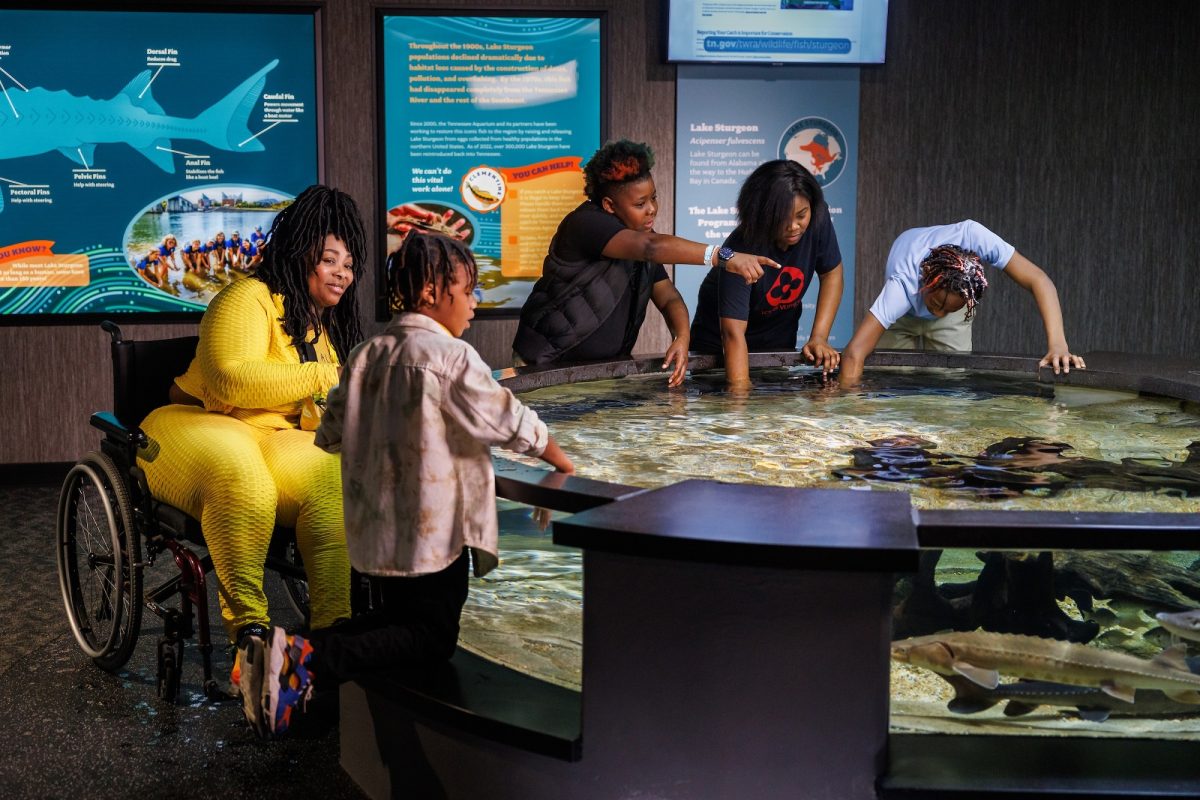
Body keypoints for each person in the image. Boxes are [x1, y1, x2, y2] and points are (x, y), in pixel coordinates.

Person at [245, 232, 574, 738]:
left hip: (374, 532)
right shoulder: (453, 358)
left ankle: (287, 654)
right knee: (431, 636)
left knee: (394, 624)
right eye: (467, 290)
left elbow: (330, 434)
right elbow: (510, 420)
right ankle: (304, 656)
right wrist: (562, 462)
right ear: (429, 293)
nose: (474, 302)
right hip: (432, 536)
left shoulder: (363, 356)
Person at [134, 185, 366, 736]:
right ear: (300, 248)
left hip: (269, 433)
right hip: (193, 421)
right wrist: (326, 378)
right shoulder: (247, 296)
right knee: (245, 482)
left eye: (350, 264)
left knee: (330, 479)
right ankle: (252, 640)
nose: (341, 273)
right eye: (329, 258)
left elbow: (311, 408)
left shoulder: (320, 323)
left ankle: (329, 647)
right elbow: (230, 379)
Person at [512, 140, 778, 386]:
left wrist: (682, 337)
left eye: (654, 197)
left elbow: (668, 298)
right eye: (640, 203)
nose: (651, 208)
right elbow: (652, 248)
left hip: (600, 372)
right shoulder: (585, 224)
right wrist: (724, 256)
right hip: (547, 366)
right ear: (609, 205)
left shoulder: (642, 238)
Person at [839, 220, 1086, 386]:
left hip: (953, 295)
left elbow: (1039, 280)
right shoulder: (902, 284)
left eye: (949, 309)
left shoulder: (975, 237)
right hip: (904, 314)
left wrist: (1058, 345)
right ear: (926, 279)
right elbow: (853, 353)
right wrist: (850, 410)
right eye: (936, 304)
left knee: (953, 384)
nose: (939, 314)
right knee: (889, 380)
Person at [689, 159, 844, 390]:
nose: (794, 226)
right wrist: (740, 398)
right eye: (783, 219)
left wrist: (819, 337)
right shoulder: (738, 246)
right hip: (719, 346)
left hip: (776, 338)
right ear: (763, 215)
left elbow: (831, 273)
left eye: (801, 215)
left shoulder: (818, 218)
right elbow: (732, 334)